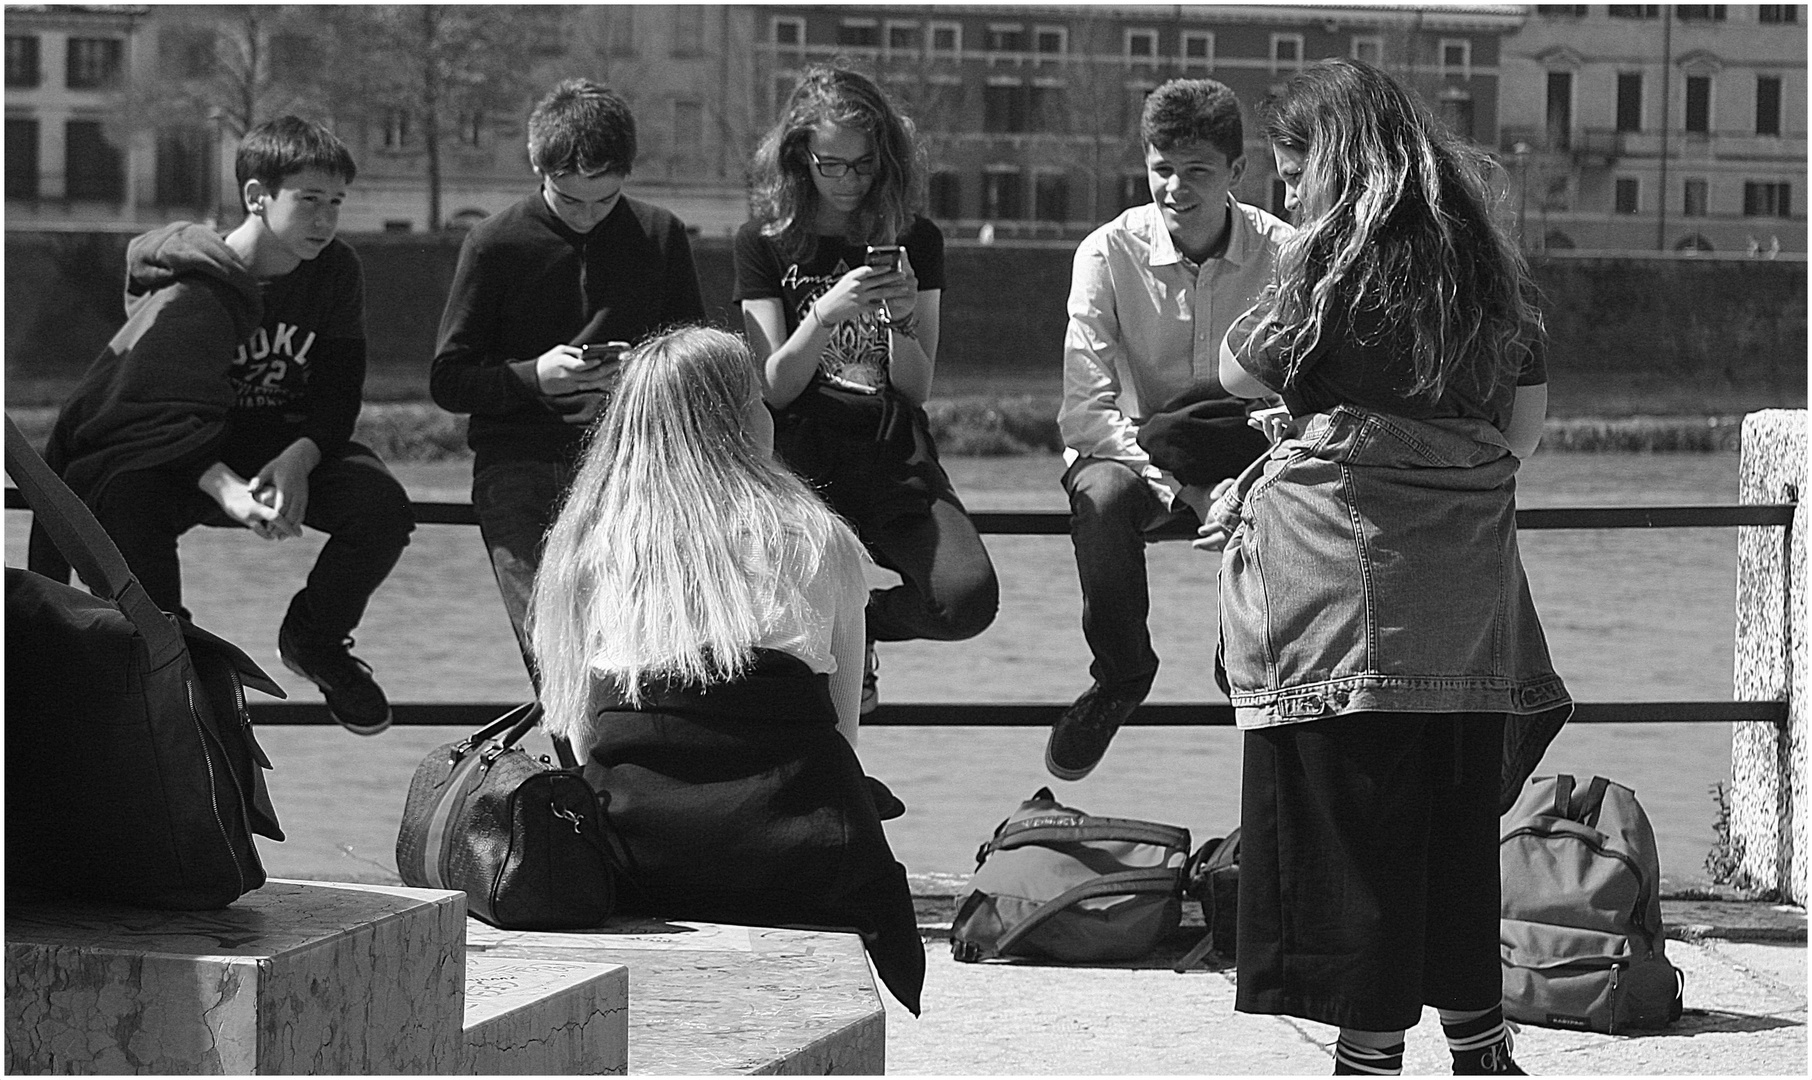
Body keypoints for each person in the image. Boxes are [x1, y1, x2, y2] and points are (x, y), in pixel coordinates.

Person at [1197, 59, 1573, 1076]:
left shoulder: (1328, 275)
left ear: (1337, 164)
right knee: (1452, 835)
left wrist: (1329, 419)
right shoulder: (1491, 274)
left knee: (1352, 845)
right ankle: (1481, 1045)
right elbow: (1521, 435)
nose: (1282, 196)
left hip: (1341, 607)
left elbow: (1235, 369)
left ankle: (1366, 1061)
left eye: (1290, 172)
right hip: (1466, 609)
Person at [527, 325, 924, 1015]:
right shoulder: (813, 533)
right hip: (800, 848)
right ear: (740, 422)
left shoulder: (590, 542)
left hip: (639, 854)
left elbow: (582, 733)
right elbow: (843, 727)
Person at [27, 115, 412, 736]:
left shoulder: (337, 271)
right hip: (182, 455)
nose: (325, 219)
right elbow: (148, 416)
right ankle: (164, 663)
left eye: (336, 202)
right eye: (308, 200)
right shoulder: (192, 286)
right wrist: (228, 488)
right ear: (257, 197)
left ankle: (314, 642)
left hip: (280, 443)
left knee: (382, 508)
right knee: (126, 498)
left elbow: (339, 396)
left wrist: (300, 458)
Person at [1046, 78, 1291, 781]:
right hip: (1146, 448)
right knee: (1097, 493)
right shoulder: (1106, 253)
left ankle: (1246, 665)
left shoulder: (1287, 254)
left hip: (1252, 448)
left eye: (1197, 172)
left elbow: (1306, 399)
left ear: (1237, 174)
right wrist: (1185, 491)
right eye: (1162, 169)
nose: (1175, 189)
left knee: (1303, 490)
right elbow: (1084, 412)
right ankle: (1121, 673)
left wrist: (1240, 486)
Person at [734, 64, 998, 716]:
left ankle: (862, 622)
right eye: (832, 165)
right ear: (799, 157)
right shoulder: (764, 242)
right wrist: (827, 310)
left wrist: (903, 318)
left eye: (864, 165)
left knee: (967, 599)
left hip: (891, 453)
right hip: (800, 462)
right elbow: (775, 386)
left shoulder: (914, 238)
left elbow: (916, 386)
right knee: (783, 619)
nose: (849, 182)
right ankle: (834, 680)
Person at [431, 78, 705, 678]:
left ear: (627, 175)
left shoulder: (660, 235)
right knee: (553, 652)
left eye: (604, 201)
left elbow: (695, 362)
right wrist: (535, 377)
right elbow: (449, 380)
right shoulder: (492, 243)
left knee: (644, 649)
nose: (586, 216)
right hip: (518, 464)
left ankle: (614, 768)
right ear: (538, 167)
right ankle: (583, 768)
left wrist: (630, 381)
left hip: (629, 465)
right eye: (568, 200)